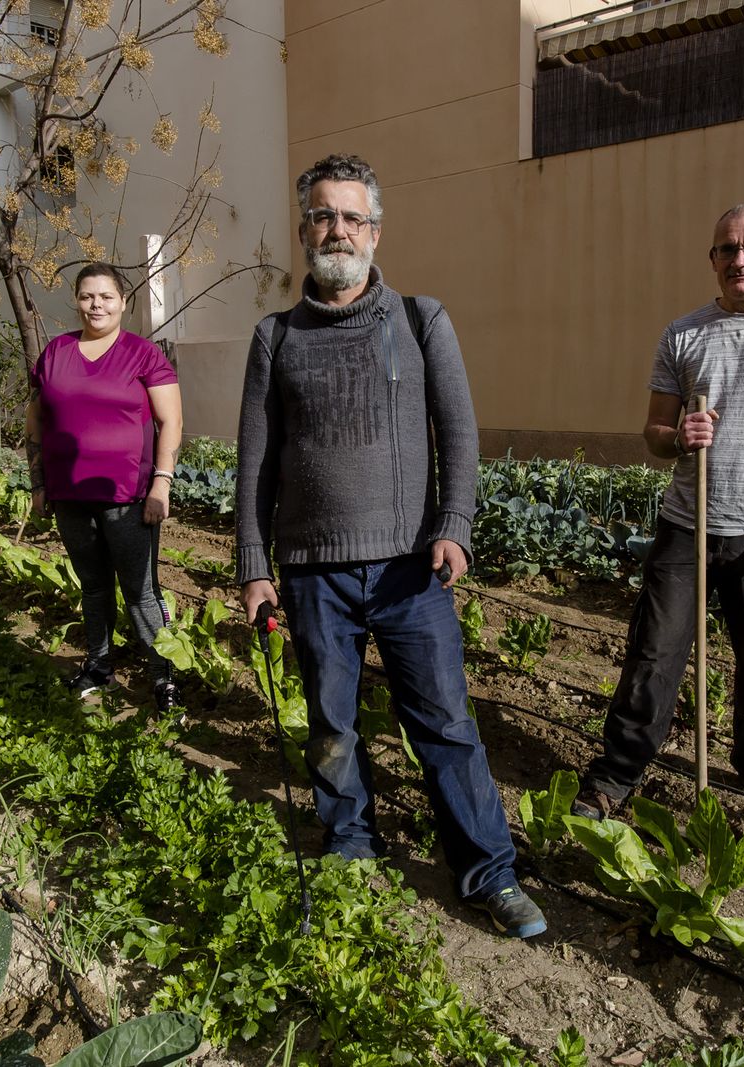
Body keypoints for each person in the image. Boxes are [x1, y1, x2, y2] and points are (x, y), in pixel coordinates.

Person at [235, 153, 546, 939]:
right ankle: (349, 847)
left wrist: (456, 525)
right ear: (304, 229)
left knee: (444, 722)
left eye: (350, 216)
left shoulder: (421, 320)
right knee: (332, 721)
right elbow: (256, 461)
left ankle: (489, 871)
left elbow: (462, 434)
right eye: (321, 215)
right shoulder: (275, 337)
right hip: (310, 570)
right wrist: (253, 564)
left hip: (410, 566)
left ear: (375, 230)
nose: (335, 229)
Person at [574, 204, 744, 817]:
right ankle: (615, 777)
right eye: (727, 250)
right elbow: (653, 431)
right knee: (653, 656)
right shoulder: (684, 334)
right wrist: (679, 437)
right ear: (713, 259)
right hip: (686, 526)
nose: (739, 260)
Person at [25, 262, 183, 710]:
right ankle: (98, 666)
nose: (96, 304)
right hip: (70, 497)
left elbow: (171, 421)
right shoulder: (54, 354)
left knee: (141, 591)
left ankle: (163, 675)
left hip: (129, 498)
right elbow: (34, 422)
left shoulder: (143, 355)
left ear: (123, 303)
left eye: (106, 296)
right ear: (77, 301)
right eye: (88, 296)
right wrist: (38, 483)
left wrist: (161, 486)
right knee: (93, 587)